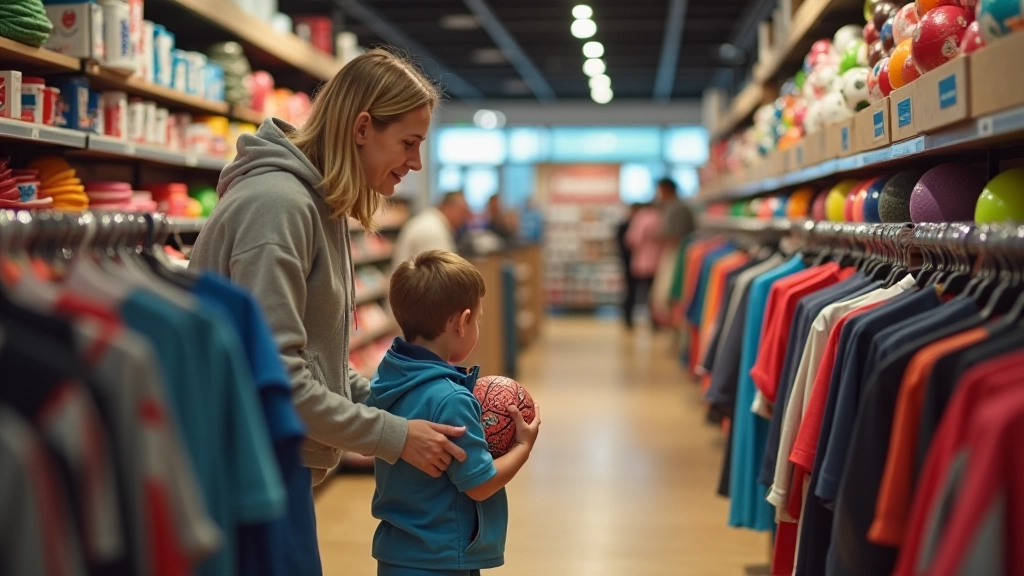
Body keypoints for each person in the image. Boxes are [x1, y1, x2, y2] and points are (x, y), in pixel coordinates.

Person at [188, 49, 468, 574]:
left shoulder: (321, 203)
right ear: (362, 128)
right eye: (408, 143)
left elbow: (321, 364)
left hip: (273, 456)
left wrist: (410, 404)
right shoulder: (278, 206)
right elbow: (279, 381)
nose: (416, 163)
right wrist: (395, 437)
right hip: (244, 464)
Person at [367, 250, 542, 576]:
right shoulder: (453, 400)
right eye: (477, 320)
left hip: (396, 554)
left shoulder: (387, 377)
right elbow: (480, 484)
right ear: (462, 322)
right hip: (443, 557)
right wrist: (523, 447)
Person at [392, 190, 472, 269]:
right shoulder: (432, 229)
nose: (465, 216)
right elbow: (440, 273)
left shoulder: (432, 222)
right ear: (450, 207)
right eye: (463, 211)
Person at [624, 202, 663, 328]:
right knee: (653, 293)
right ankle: (655, 321)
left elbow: (632, 240)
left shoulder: (640, 218)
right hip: (657, 261)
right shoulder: (660, 217)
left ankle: (628, 319)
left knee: (633, 291)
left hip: (641, 261)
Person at [616, 203, 643, 329]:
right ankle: (628, 318)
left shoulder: (638, 224)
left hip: (641, 263)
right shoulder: (625, 225)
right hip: (629, 263)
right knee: (630, 291)